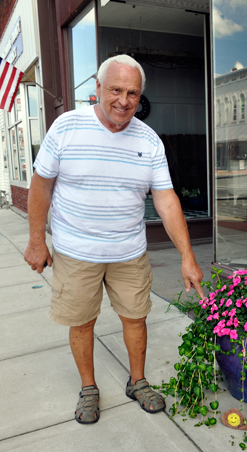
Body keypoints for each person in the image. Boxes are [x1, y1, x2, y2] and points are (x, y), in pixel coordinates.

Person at [24, 55, 204, 424]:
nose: (124, 100)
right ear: (98, 89)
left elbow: (166, 200)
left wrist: (187, 256)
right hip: (76, 252)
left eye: (133, 93)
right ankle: (88, 388)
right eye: (116, 90)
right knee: (82, 322)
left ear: (140, 98)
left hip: (129, 253)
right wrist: (37, 241)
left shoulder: (149, 140)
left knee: (135, 319)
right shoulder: (66, 128)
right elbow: (41, 187)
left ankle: (137, 381)